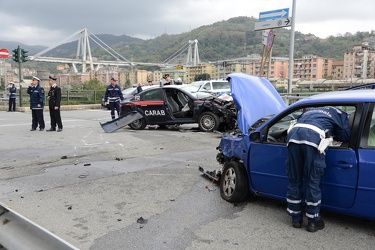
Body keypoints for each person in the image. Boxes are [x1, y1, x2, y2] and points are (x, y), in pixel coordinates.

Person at [286, 106, 351, 232]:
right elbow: (345, 134)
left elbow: (300, 121)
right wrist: (334, 133)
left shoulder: (311, 109)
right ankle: (313, 222)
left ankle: (296, 219)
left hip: (293, 136)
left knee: (294, 180)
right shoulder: (339, 113)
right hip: (314, 138)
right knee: (312, 182)